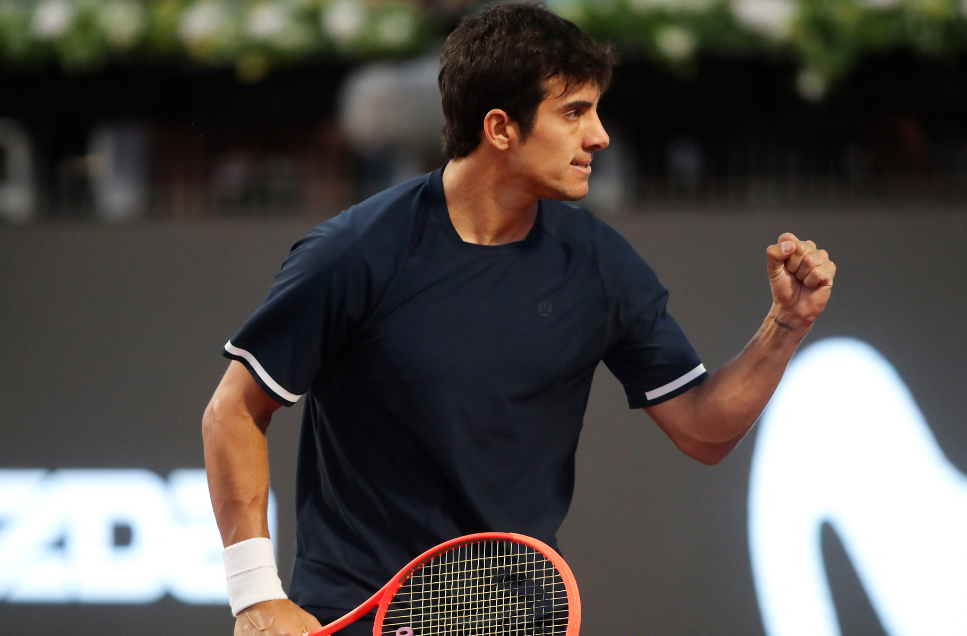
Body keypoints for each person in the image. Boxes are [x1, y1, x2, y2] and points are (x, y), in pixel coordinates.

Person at [201, 4, 836, 636]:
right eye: (574, 112)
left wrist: (785, 326)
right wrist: (256, 596)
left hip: (512, 620)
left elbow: (703, 430)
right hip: (357, 611)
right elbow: (234, 410)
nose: (600, 136)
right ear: (501, 128)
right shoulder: (356, 252)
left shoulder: (599, 265)